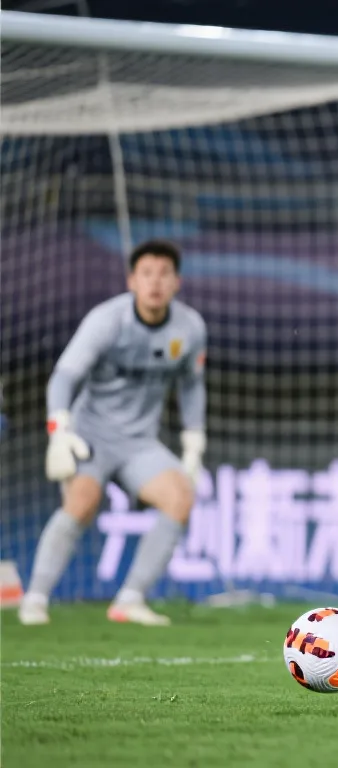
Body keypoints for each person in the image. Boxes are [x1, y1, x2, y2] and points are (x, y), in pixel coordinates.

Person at [18, 239, 207, 626]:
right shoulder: (106, 320)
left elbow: (192, 385)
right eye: (147, 274)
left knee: (180, 497)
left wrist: (193, 443)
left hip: (139, 443)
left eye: (164, 274)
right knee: (82, 502)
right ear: (131, 281)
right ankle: (34, 599)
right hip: (91, 435)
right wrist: (59, 430)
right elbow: (64, 376)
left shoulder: (189, 328)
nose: (155, 282)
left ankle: (129, 600)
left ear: (177, 282)